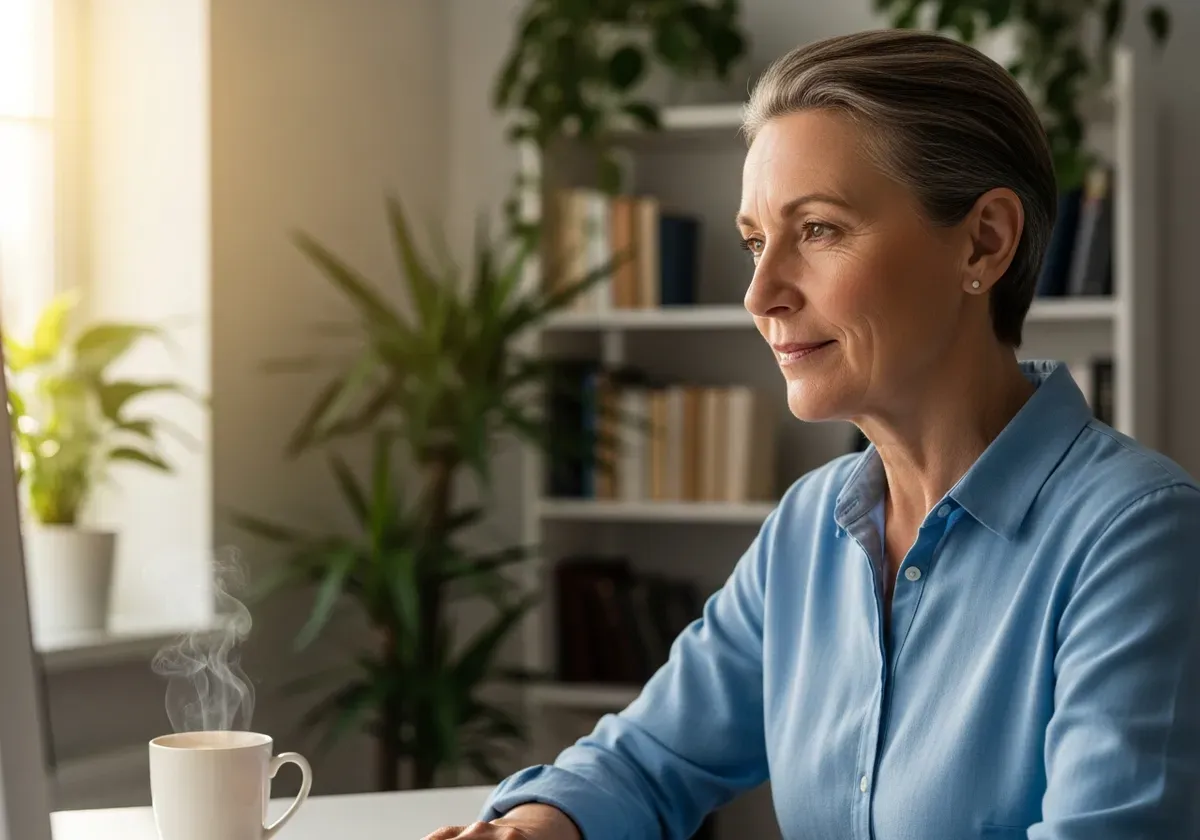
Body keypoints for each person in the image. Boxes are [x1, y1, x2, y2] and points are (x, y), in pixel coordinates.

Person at [425, 28, 1200, 840]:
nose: (761, 293)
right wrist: (537, 827)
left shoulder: (1136, 535)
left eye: (820, 230)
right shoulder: (808, 528)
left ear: (985, 241)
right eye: (755, 241)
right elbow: (646, 758)